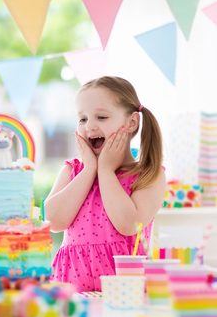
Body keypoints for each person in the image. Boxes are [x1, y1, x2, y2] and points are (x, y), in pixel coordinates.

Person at [45, 76, 166, 292]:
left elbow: (129, 224)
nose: (90, 126)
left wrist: (106, 171)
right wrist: (90, 169)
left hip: (125, 290)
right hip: (73, 287)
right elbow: (54, 221)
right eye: (82, 119)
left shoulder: (148, 174)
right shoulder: (73, 170)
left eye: (101, 117)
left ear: (131, 123)